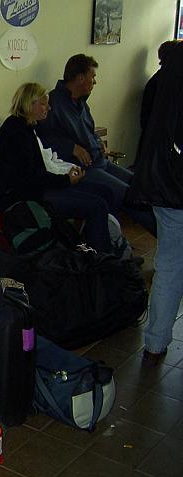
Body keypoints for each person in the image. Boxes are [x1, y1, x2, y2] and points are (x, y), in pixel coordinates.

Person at [36, 53, 157, 237]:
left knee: (140, 184)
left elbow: (87, 129)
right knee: (131, 197)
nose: (95, 82)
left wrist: (96, 140)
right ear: (80, 78)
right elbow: (42, 139)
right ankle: (169, 238)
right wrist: (71, 147)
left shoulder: (80, 102)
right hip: (82, 168)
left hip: (99, 161)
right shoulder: (54, 103)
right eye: (92, 77)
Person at [0, 82, 115, 253]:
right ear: (29, 104)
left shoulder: (25, 127)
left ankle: (106, 246)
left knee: (104, 192)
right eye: (43, 104)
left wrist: (65, 178)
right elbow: (30, 179)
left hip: (33, 191)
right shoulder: (17, 134)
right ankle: (102, 257)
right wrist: (66, 180)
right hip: (23, 201)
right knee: (96, 206)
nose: (48, 108)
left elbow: (36, 172)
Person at [127, 43, 183, 367]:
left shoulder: (163, 82)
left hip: (162, 187)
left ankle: (155, 343)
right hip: (175, 187)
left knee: (169, 267)